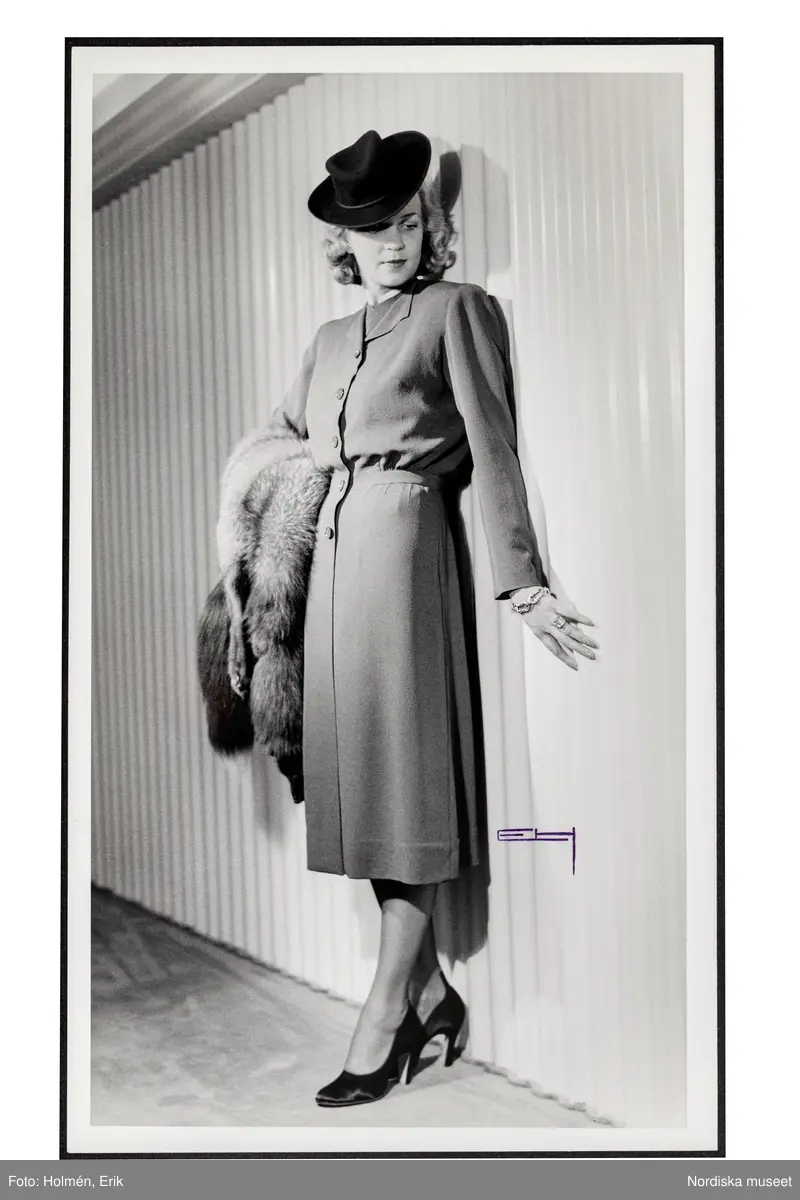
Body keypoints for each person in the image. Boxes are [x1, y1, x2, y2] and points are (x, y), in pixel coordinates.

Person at [268, 129, 599, 1108]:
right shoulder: (327, 342)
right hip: (330, 572)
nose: (392, 243)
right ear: (344, 241)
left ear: (428, 226)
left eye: (406, 224)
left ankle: (384, 1019)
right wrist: (260, 581)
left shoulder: (458, 310)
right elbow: (285, 453)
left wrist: (523, 580)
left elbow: (493, 450)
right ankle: (433, 997)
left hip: (406, 555)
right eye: (372, 230)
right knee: (361, 793)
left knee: (403, 787)